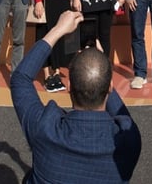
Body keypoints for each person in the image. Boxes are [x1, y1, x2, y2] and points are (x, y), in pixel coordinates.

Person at [11, 10, 142, 183]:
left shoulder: (44, 128)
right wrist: (102, 66)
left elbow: (20, 79)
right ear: (110, 86)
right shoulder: (128, 140)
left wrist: (57, 30)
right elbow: (121, 112)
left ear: (70, 86)